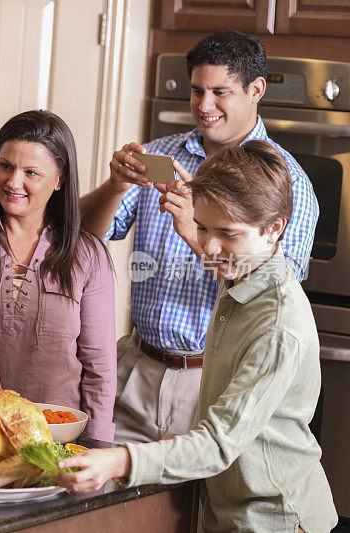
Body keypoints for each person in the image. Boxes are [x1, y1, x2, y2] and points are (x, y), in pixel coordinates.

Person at [55, 141, 337, 533]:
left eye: (229, 234)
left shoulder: (278, 325)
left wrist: (118, 460)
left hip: (276, 518)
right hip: (230, 506)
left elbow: (219, 445)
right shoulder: (243, 273)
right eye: (203, 228)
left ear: (275, 229)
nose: (211, 247)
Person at [78, 30, 318, 443]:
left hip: (219, 382)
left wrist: (195, 231)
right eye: (196, 91)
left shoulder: (288, 183)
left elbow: (274, 295)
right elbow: (84, 236)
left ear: (255, 89)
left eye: (220, 92)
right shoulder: (161, 157)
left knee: (199, 507)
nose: (204, 106)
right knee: (108, 499)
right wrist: (114, 186)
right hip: (137, 371)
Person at [0, 110, 117, 444]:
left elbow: (99, 368)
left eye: (31, 172)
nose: (13, 182)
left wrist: (97, 446)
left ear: (60, 180)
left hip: (56, 438)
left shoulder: (88, 254)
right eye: (5, 166)